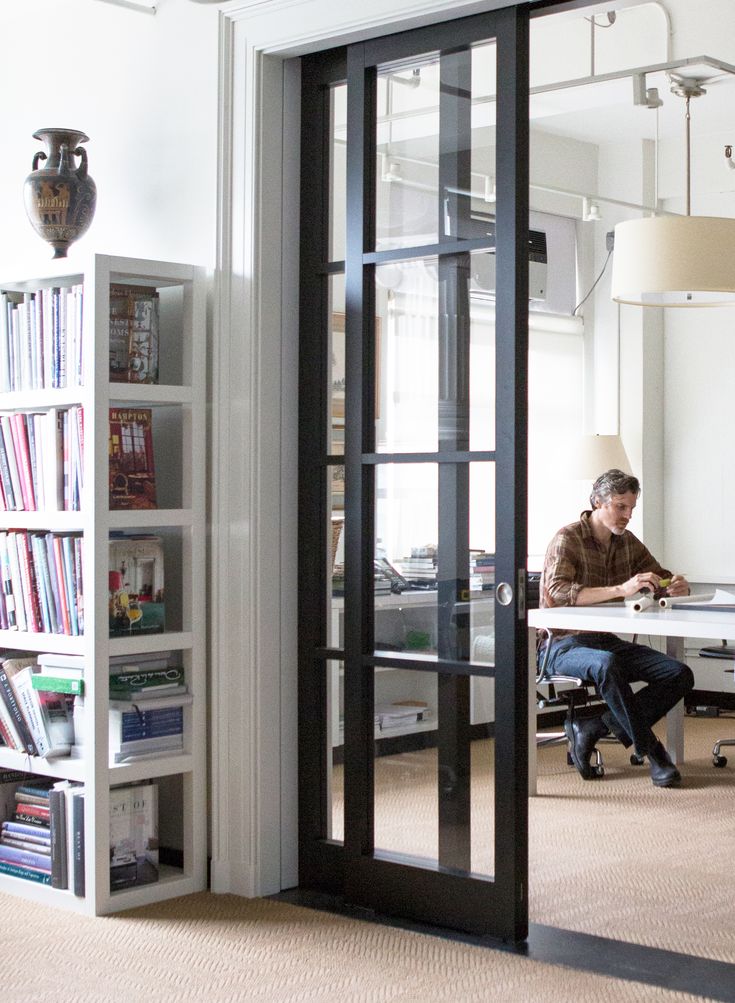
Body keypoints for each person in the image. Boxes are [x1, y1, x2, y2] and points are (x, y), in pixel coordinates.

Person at [539, 468, 694, 788]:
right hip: (561, 645)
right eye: (620, 507)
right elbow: (558, 593)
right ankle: (655, 754)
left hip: (603, 639)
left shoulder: (627, 543)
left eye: (631, 508)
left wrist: (675, 585)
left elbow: (659, 578)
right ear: (597, 501)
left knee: (679, 673)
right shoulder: (567, 538)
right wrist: (621, 590)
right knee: (607, 664)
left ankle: (593, 726)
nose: (627, 515)